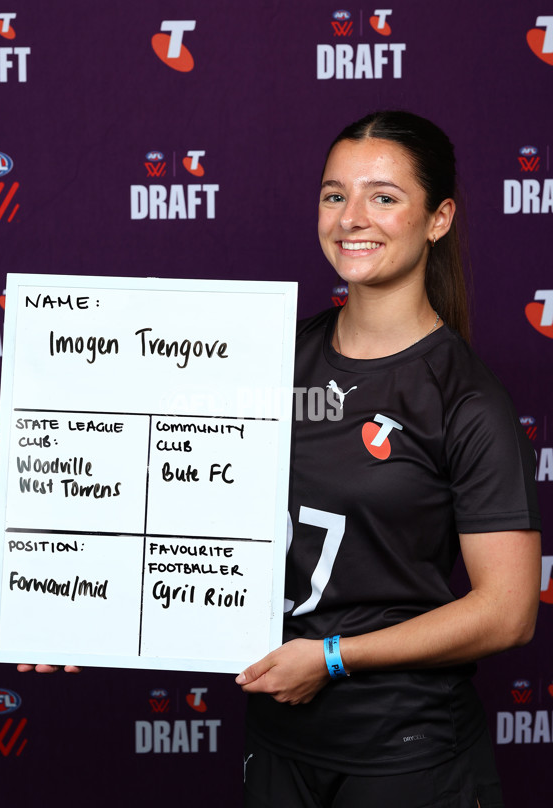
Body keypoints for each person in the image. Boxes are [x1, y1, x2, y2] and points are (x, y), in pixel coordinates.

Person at [234, 111, 542, 808]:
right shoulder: (266, 361)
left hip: (405, 755)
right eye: (334, 194)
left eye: (383, 196)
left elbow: (508, 610)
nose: (351, 218)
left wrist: (334, 658)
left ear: (438, 219)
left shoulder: (465, 400)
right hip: (277, 742)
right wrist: (87, 609)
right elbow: (177, 489)